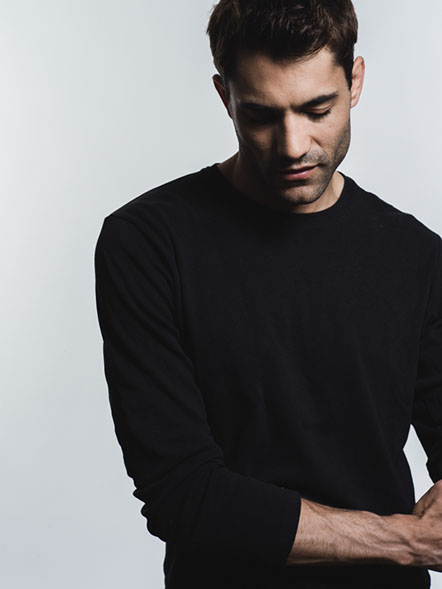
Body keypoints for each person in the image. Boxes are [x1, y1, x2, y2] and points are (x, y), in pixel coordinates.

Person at [94, 1, 442, 587]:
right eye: (260, 115)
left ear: (355, 81)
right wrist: (406, 541)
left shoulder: (418, 257)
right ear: (224, 96)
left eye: (317, 109)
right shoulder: (149, 243)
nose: (292, 145)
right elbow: (181, 492)